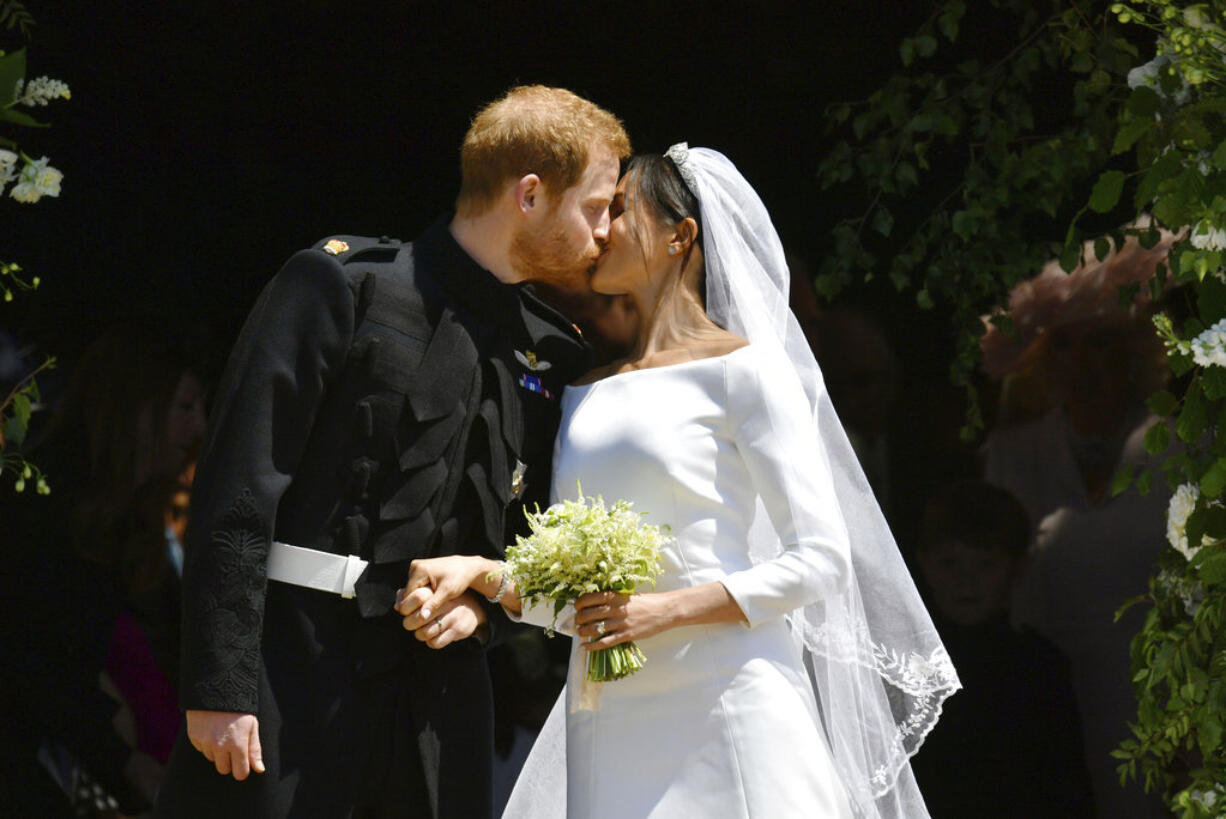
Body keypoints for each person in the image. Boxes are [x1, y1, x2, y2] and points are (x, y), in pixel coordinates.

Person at [398, 145, 959, 818]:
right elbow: (589, 606)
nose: (599, 229)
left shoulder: (745, 372)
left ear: (679, 236)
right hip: (608, 719)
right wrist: (485, 574)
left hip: (729, 702)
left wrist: (661, 611)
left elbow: (820, 560)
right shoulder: (582, 389)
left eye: (619, 210)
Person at [154, 86, 630, 818]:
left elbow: (534, 542)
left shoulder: (552, 353)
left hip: (442, 711)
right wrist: (219, 687)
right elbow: (240, 486)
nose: (606, 231)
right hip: (292, 678)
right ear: (530, 194)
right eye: (595, 206)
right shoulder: (341, 285)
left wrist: (486, 613)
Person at [979, 228, 1175, 818]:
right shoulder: (1013, 454)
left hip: (1165, 702)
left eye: (1102, 344)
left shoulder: (1182, 444)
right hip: (1052, 705)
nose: (1084, 363)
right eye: (1065, 345)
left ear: (1133, 351)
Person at [1, 323, 206, 818]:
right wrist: (120, 757)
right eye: (184, 407)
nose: (199, 427)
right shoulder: (48, 507)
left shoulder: (117, 520)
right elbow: (29, 666)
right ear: (134, 409)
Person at [910, 479, 1094, 817]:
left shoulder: (1039, 667)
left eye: (985, 564)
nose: (966, 580)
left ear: (1018, 567)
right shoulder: (906, 666)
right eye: (950, 562)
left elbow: (1067, 788)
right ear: (924, 563)